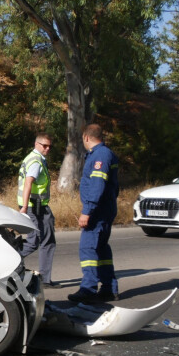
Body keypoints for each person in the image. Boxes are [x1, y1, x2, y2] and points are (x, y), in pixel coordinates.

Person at [68, 124, 120, 303]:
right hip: (104, 209)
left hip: (98, 211)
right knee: (101, 249)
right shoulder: (104, 154)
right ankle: (108, 289)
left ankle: (88, 289)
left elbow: (98, 185)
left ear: (86, 137)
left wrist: (87, 211)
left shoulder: (100, 155)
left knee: (88, 248)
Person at [17, 134, 58, 287]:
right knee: (47, 241)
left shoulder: (31, 157)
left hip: (32, 206)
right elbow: (28, 183)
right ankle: (45, 280)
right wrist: (25, 206)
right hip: (37, 207)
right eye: (44, 145)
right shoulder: (36, 161)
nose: (47, 149)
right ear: (36, 144)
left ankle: (9, 259)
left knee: (33, 241)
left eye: (49, 146)